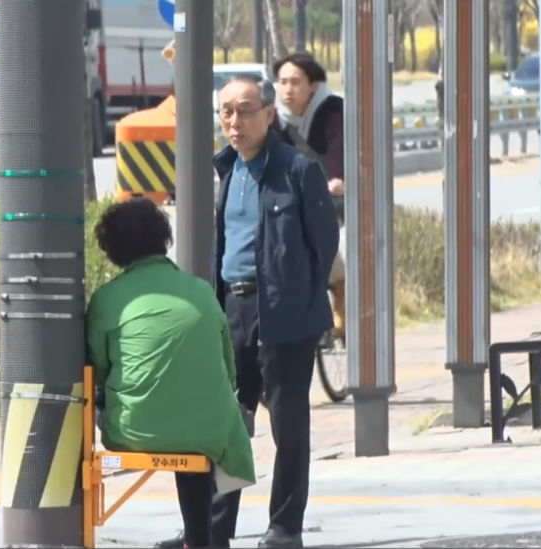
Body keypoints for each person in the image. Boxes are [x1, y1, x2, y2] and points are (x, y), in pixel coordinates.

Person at [157, 75, 339, 549]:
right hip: (231, 311)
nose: (233, 122)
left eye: (243, 110)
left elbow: (325, 244)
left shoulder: (298, 170)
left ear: (268, 114)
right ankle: (213, 529)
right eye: (225, 112)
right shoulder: (228, 170)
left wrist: (298, 295)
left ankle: (284, 527)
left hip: (285, 316)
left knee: (288, 427)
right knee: (225, 424)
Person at [86, 197, 256, 549]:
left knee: (114, 399)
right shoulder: (202, 292)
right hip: (206, 432)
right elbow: (229, 373)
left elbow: (99, 371)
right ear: (163, 240)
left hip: (135, 431)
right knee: (199, 426)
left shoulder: (106, 299)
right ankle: (200, 537)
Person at [274, 52, 346, 342]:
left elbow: (336, 147)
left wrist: (337, 178)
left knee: (323, 237)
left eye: (295, 82)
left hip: (332, 191)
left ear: (313, 85)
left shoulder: (331, 109)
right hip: (294, 193)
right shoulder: (274, 115)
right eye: (282, 82)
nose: (288, 90)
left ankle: (340, 286)